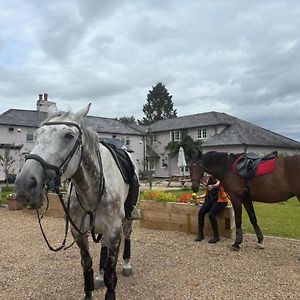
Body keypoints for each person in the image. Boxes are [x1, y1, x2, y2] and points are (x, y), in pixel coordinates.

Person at [195, 175, 228, 243]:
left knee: (212, 214)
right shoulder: (209, 179)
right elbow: (208, 192)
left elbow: (218, 184)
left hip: (220, 200)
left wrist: (212, 186)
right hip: (211, 199)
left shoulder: (221, 177)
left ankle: (216, 236)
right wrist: (199, 197)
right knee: (201, 212)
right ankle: (200, 234)